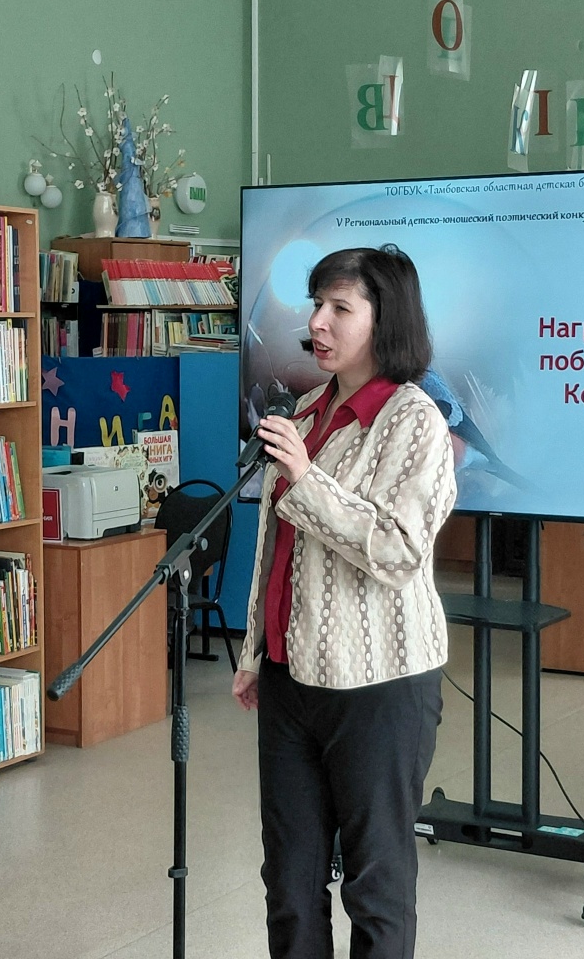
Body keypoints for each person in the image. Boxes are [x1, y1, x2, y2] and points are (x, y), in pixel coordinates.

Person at [233, 244, 458, 959]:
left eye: (339, 308)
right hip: (289, 678)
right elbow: (274, 544)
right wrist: (254, 652)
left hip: (380, 684)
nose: (317, 323)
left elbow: (398, 549)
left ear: (384, 319)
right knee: (289, 882)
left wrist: (306, 480)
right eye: (315, 305)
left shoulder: (416, 420)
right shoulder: (304, 411)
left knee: (375, 883)